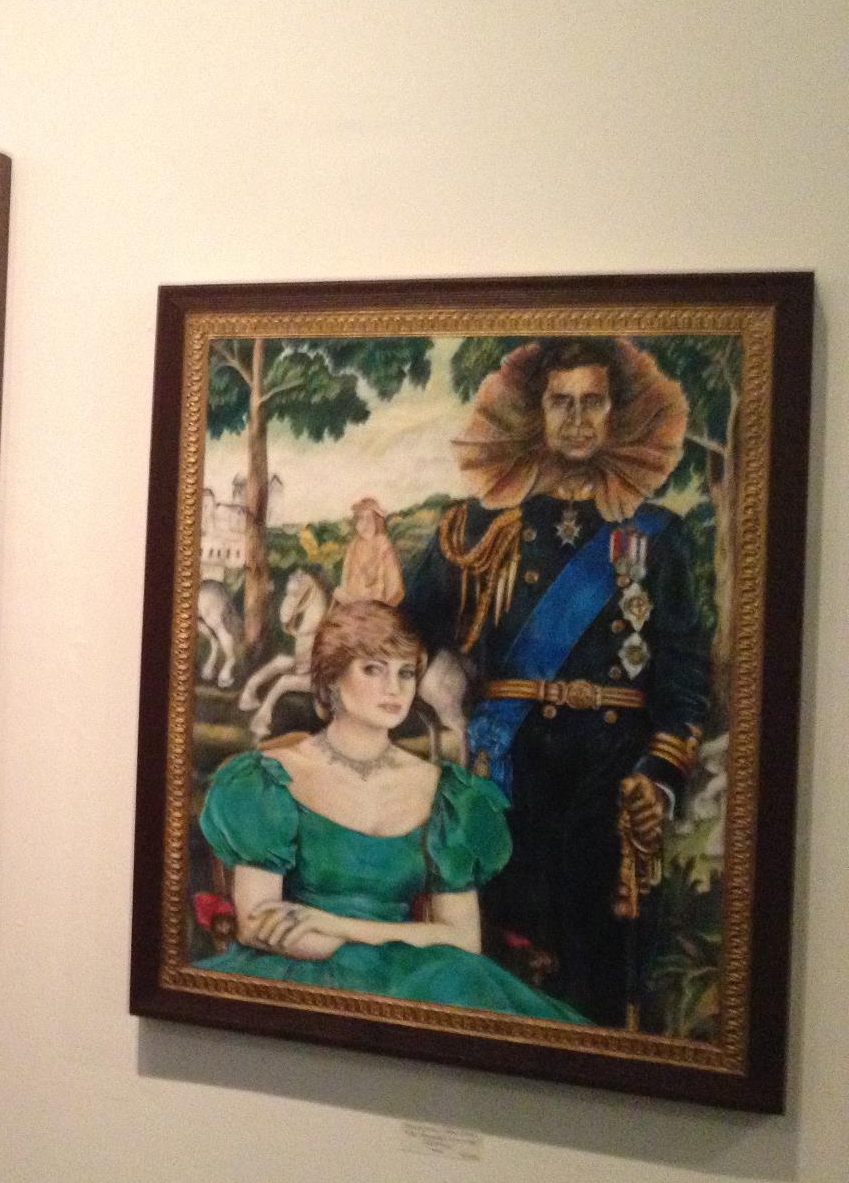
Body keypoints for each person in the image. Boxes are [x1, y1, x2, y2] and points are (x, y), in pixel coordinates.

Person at [404, 337, 710, 1027]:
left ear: (615, 412)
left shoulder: (659, 536)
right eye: (560, 402)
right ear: (534, 410)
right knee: (502, 975)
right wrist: (446, 706)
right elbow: (404, 632)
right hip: (507, 775)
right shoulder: (476, 527)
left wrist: (657, 777)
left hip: (612, 779)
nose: (575, 419)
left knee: (596, 982)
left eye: (591, 402)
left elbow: (685, 677)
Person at [198, 600, 584, 1022]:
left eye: (405, 673)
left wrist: (339, 927)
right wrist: (331, 941)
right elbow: (258, 925)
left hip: (421, 977)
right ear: (331, 679)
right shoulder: (268, 779)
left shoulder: (447, 793)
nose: (394, 688)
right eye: (373, 669)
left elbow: (462, 939)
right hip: (301, 969)